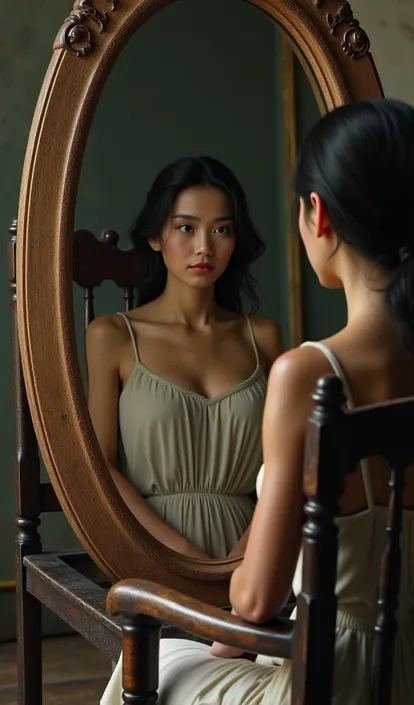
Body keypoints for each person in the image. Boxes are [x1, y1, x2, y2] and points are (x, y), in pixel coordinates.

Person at [101, 99, 414, 705]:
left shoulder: (310, 373)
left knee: (155, 661)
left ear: (317, 214)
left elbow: (253, 601)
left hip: (341, 681)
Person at [87, 156, 284, 561]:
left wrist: (245, 556)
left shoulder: (262, 337)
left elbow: (286, 463)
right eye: (186, 228)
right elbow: (100, 467)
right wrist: (182, 554)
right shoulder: (113, 336)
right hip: (152, 551)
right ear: (155, 237)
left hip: (253, 555)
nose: (204, 248)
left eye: (222, 229)